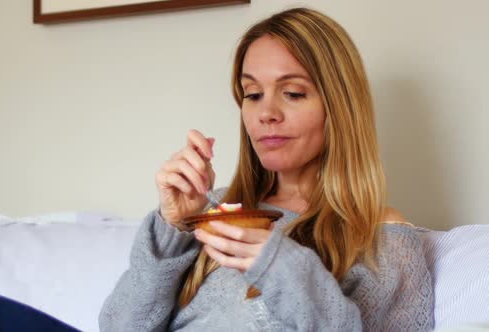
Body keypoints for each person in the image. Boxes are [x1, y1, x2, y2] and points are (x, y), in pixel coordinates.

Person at [99, 7, 434, 332]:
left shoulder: (379, 237)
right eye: (253, 94)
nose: (266, 113)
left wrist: (279, 265)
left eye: (292, 93)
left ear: (338, 106)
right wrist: (172, 227)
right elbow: (119, 327)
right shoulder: (211, 214)